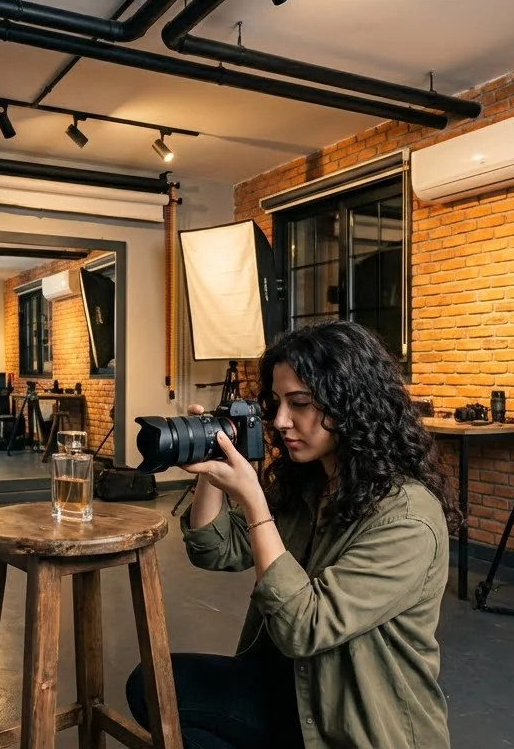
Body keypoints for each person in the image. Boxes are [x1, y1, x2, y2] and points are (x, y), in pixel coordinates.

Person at [125, 319, 459, 749]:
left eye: (299, 403)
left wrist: (254, 502)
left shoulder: (407, 519)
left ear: (351, 406)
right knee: (153, 687)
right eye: (277, 402)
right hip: (293, 690)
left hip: (358, 726)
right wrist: (212, 464)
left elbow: (305, 626)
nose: (281, 420)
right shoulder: (311, 483)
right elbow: (216, 549)